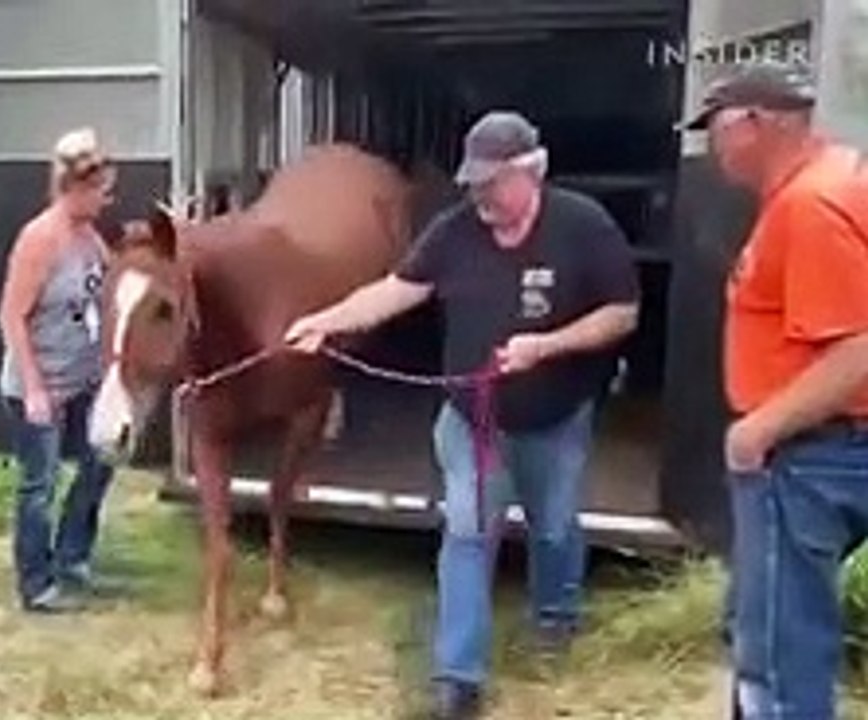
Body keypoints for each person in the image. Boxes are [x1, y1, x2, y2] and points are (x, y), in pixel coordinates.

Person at [284, 111, 639, 719]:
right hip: (472, 421)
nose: (480, 197)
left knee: (554, 527)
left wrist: (546, 346)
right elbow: (395, 290)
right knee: (468, 535)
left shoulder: (584, 226)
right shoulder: (453, 232)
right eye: (473, 183)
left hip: (555, 418)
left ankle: (555, 618)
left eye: (492, 183)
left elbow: (622, 313)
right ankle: (458, 678)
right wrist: (325, 320)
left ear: (533, 171)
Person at [681, 61, 868, 720]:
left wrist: (758, 431)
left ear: (754, 124)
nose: (712, 149)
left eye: (717, 130)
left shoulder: (810, 206)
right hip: (819, 448)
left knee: (779, 657)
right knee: (759, 626)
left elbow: (857, 347)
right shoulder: (833, 180)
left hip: (806, 456)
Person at [0, 127, 119, 614]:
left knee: (101, 460)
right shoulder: (40, 239)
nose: (108, 200)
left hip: (84, 376)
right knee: (39, 485)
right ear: (78, 189)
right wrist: (34, 389)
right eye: (103, 191)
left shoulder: (89, 238)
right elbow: (11, 314)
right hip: (40, 382)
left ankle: (73, 555)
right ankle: (36, 583)